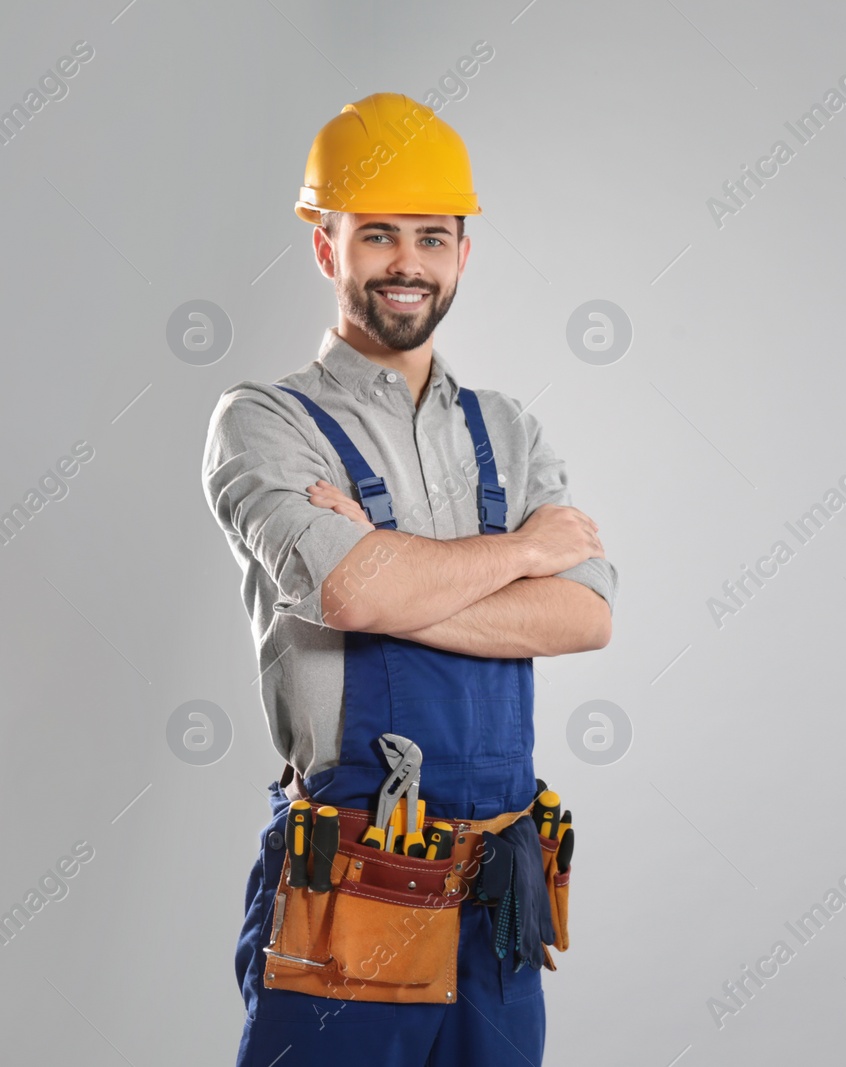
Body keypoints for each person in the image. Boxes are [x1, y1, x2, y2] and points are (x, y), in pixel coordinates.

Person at [200, 92, 616, 1066]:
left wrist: (398, 579)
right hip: (351, 887)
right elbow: (349, 595)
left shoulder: (510, 428)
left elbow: (585, 614)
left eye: (432, 237)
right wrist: (518, 552)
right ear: (325, 247)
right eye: (378, 234)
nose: (406, 263)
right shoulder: (266, 421)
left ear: (461, 254)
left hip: (500, 900)